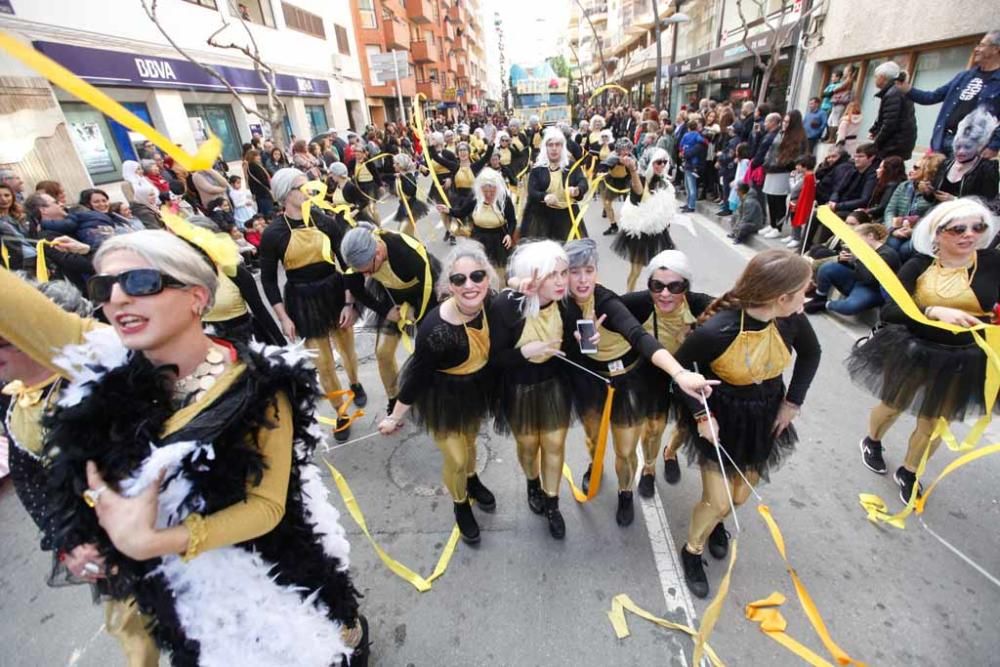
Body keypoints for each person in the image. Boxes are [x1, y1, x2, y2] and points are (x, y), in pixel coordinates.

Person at [0, 232, 370, 666]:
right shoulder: (100, 356)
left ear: (196, 296)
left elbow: (265, 507)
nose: (117, 299)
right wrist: (85, 538)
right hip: (178, 591)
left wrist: (151, 541)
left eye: (140, 283)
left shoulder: (256, 385)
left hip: (268, 572)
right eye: (103, 288)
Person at [0, 279, 162, 667]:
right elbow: (31, 482)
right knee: (132, 632)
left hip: (163, 527)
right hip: (101, 543)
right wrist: (69, 542)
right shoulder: (14, 405)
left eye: (3, 341)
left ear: (33, 333)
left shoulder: (103, 381)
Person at [674, 249, 821, 598]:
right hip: (721, 416)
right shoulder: (716, 331)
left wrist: (792, 403)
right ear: (781, 297)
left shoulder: (792, 318)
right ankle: (692, 550)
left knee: (739, 498)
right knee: (718, 501)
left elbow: (812, 354)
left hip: (766, 416)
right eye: (804, 290)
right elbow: (678, 376)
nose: (808, 297)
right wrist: (701, 415)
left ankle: (716, 527)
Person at [848, 198, 999, 503]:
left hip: (964, 357)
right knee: (894, 405)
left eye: (977, 227)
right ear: (937, 233)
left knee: (933, 421)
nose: (969, 234)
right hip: (915, 349)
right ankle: (873, 440)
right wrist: (932, 311)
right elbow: (890, 310)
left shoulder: (992, 263)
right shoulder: (918, 265)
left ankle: (910, 471)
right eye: (959, 228)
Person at [558, 240, 714, 526]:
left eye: (588, 270)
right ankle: (594, 464)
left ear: (596, 273)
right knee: (594, 439)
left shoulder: (607, 302)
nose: (582, 280)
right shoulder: (559, 302)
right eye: (574, 271)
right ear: (562, 274)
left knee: (626, 450)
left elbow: (638, 335)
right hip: (589, 380)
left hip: (627, 381)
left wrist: (678, 373)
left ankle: (625, 492)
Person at [378, 241, 498, 544]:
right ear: (449, 285)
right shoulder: (435, 328)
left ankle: (472, 481)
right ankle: (460, 505)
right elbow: (416, 377)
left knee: (470, 443)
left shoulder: (492, 304)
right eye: (459, 279)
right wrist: (394, 417)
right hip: (442, 398)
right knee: (456, 458)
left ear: (488, 277)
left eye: (477, 276)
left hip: (475, 390)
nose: (470, 285)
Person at [259, 169, 367, 439]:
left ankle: (355, 383)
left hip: (335, 292)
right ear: (285, 194)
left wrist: (349, 303)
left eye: (308, 184)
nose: (308, 189)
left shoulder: (324, 221)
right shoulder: (273, 234)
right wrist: (283, 317)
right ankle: (341, 412)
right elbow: (269, 281)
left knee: (348, 350)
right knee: (324, 365)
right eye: (300, 186)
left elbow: (346, 264)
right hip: (302, 301)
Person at [488, 240, 572, 538]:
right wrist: (525, 352)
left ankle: (552, 502)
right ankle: (532, 481)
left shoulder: (568, 302)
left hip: (555, 385)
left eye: (565, 273)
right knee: (527, 446)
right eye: (553, 275)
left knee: (554, 445)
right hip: (518, 387)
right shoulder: (506, 307)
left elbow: (574, 345)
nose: (562, 281)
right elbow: (494, 360)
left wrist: (587, 341)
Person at [620, 250, 714, 488]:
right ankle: (649, 467)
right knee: (653, 427)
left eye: (674, 287)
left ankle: (670, 452)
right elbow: (604, 306)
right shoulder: (639, 302)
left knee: (685, 426)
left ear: (686, 287)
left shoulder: (702, 304)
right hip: (652, 374)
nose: (664, 293)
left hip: (689, 373)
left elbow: (740, 312)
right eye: (657, 285)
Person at [340, 222, 440, 415]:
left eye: (368, 271)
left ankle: (435, 393)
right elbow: (355, 286)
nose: (367, 275)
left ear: (378, 252)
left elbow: (431, 290)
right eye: (362, 272)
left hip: (426, 294)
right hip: (392, 298)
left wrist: (416, 314)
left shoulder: (407, 253)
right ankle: (394, 399)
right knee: (383, 352)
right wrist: (385, 310)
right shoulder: (360, 257)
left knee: (429, 349)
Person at [183, 215, 284, 345]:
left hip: (244, 346)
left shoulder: (235, 273)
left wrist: (283, 350)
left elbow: (261, 313)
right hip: (206, 351)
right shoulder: (182, 280)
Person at [904, 30, 1000, 158]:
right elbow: (932, 97)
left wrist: (994, 145)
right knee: (936, 178)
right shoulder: (964, 76)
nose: (976, 49)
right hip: (943, 141)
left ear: (996, 49)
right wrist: (906, 89)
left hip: (972, 147)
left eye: (982, 45)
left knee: (959, 179)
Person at [612, 147, 677, 291]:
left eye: (664, 162)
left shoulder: (665, 183)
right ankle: (629, 297)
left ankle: (658, 298)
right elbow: (639, 192)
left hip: (659, 233)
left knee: (661, 271)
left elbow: (667, 209)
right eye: (658, 162)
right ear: (650, 162)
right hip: (640, 233)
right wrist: (633, 171)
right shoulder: (641, 179)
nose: (662, 165)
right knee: (636, 271)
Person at [803, 222, 900, 316]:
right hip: (858, 280)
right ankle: (819, 297)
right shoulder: (864, 249)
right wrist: (843, 259)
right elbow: (855, 270)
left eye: (857, 239)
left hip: (873, 289)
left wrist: (857, 258)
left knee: (850, 306)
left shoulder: (887, 254)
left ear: (870, 236)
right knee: (828, 267)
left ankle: (825, 305)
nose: (855, 243)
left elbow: (869, 278)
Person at [438, 168, 515, 280]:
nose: (488, 194)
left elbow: (512, 220)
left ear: (497, 188)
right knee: (478, 273)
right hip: (478, 239)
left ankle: (499, 295)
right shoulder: (475, 199)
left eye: (492, 190)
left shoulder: (504, 200)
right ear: (480, 188)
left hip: (499, 240)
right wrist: (448, 210)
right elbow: (462, 212)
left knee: (500, 275)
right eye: (485, 190)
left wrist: (509, 234)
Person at [524, 128, 589, 241]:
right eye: (550, 145)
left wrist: (577, 190)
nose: (554, 148)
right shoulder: (538, 168)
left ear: (562, 147)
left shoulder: (571, 166)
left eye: (557, 145)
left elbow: (583, 182)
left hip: (567, 215)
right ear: (545, 148)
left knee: (570, 251)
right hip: (542, 217)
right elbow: (532, 191)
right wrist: (545, 196)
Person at [930, 106, 1000, 203]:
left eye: (967, 147)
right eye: (957, 146)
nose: (960, 152)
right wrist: (927, 192)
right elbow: (934, 198)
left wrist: (955, 200)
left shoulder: (987, 169)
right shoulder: (946, 164)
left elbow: (989, 204)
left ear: (979, 146)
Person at [761, 111, 809, 237]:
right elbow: (772, 150)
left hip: (783, 171)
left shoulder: (798, 138)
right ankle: (772, 224)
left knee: (779, 199)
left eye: (788, 122)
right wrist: (767, 163)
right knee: (770, 198)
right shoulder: (780, 133)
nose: (784, 124)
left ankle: (778, 227)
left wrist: (782, 164)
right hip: (771, 169)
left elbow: (796, 157)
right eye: (784, 121)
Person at [869, 62, 917, 160]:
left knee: (888, 172)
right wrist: (874, 129)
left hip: (894, 144)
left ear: (882, 77)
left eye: (876, 76)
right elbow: (885, 116)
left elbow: (889, 123)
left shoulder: (893, 93)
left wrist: (876, 143)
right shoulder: (894, 91)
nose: (874, 79)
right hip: (898, 142)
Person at [827, 143, 879, 216]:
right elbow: (837, 190)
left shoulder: (872, 175)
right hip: (841, 205)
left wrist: (838, 206)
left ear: (871, 158)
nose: (856, 159)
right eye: (855, 156)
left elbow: (864, 200)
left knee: (834, 216)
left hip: (854, 210)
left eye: (861, 156)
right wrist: (833, 201)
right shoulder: (852, 171)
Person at [596, 137, 635, 236]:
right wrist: (600, 172)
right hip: (612, 181)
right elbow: (603, 166)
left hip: (626, 181)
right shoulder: (613, 157)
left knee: (632, 204)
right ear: (618, 149)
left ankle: (631, 226)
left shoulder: (632, 157)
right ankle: (613, 226)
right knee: (607, 203)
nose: (626, 152)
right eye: (623, 149)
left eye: (628, 149)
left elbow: (637, 169)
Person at [391, 153, 430, 237]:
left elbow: (410, 191)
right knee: (407, 234)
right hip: (404, 207)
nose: (394, 165)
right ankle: (418, 248)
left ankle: (421, 249)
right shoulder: (402, 175)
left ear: (401, 165)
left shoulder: (409, 176)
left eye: (396, 163)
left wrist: (402, 177)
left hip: (411, 207)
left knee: (403, 234)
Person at [864, 156, 906, 221]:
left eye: (880, 168)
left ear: (888, 170)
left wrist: (865, 211)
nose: (877, 170)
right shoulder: (884, 182)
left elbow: (882, 207)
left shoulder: (892, 185)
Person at [244, 148, 274, 217]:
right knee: (268, 212)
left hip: (260, 193)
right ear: (252, 157)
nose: (259, 157)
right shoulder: (254, 166)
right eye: (257, 156)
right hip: (262, 193)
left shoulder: (255, 166)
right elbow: (263, 179)